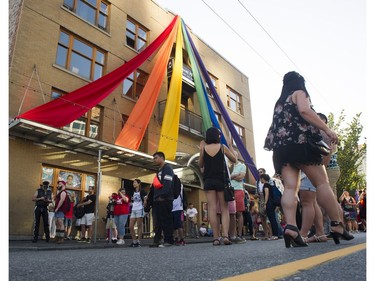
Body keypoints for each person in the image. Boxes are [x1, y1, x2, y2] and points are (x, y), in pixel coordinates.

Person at [264, 71, 353, 247]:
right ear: (300, 82)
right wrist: (327, 129)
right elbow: (304, 110)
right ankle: (336, 224)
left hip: (282, 149)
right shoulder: (300, 93)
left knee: (290, 187)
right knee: (322, 183)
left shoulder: (279, 103)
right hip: (301, 145)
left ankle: (291, 227)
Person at [198, 127, 237, 246]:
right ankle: (225, 236)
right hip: (221, 180)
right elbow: (234, 159)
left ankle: (215, 238)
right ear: (216, 136)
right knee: (224, 209)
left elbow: (200, 164)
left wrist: (201, 149)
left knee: (212, 209)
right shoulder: (222, 147)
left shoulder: (204, 148)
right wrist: (230, 146)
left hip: (209, 180)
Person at [149, 151, 175, 247]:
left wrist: (162, 196)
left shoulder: (167, 168)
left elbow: (168, 184)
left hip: (165, 199)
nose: (154, 160)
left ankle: (169, 240)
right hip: (157, 200)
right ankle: (157, 240)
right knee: (157, 221)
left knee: (166, 220)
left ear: (161, 158)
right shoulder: (159, 171)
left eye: (155, 158)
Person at [299, 172, 327, 243]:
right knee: (313, 202)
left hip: (307, 173)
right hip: (312, 173)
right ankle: (320, 233)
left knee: (307, 202)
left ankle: (303, 235)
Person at [230, 151, 247, 242]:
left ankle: (240, 234)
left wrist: (231, 177)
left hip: (238, 190)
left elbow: (241, 177)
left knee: (239, 213)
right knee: (230, 213)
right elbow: (226, 177)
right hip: (229, 190)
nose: (232, 157)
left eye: (234, 155)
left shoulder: (242, 165)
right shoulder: (228, 166)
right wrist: (235, 175)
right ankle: (232, 234)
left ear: (236, 156)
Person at [259, 174, 279, 240]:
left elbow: (266, 194)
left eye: (261, 178)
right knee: (272, 219)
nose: (260, 180)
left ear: (263, 178)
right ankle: (275, 234)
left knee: (272, 219)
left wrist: (265, 203)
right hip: (272, 203)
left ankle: (275, 235)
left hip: (269, 203)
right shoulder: (270, 185)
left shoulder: (266, 185)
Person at [128, 179, 146, 247]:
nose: (134, 184)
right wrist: (131, 203)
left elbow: (145, 198)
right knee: (131, 226)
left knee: (139, 225)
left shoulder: (142, 191)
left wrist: (144, 203)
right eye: (133, 182)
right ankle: (134, 240)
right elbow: (132, 200)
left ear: (139, 183)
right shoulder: (133, 192)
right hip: (133, 209)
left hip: (140, 209)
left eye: (135, 182)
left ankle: (139, 241)